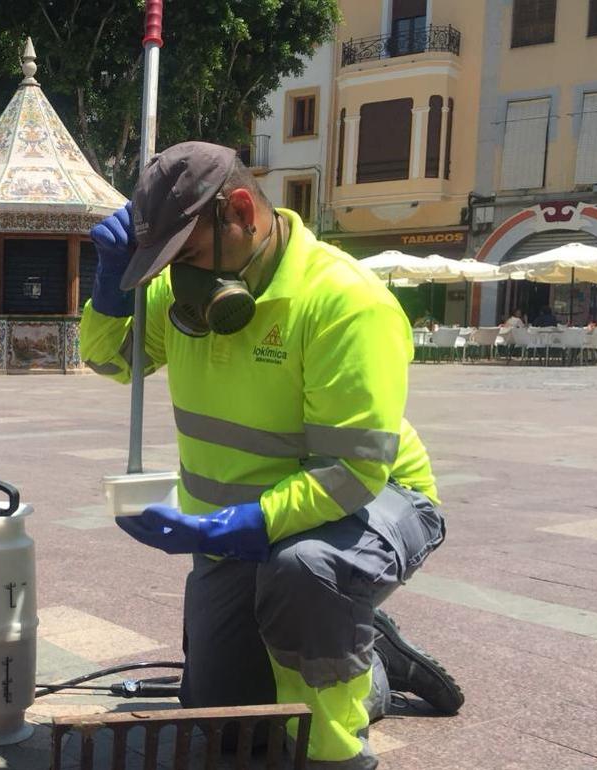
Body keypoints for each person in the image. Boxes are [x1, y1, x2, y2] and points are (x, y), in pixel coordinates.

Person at [81, 142, 461, 770]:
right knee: (230, 726)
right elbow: (110, 360)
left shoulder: (344, 301)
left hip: (376, 503)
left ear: (240, 212)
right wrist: (112, 293)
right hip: (242, 531)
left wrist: (240, 525)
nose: (182, 278)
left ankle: (337, 749)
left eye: (191, 255)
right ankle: (369, 659)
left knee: (304, 569)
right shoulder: (185, 303)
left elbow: (352, 472)